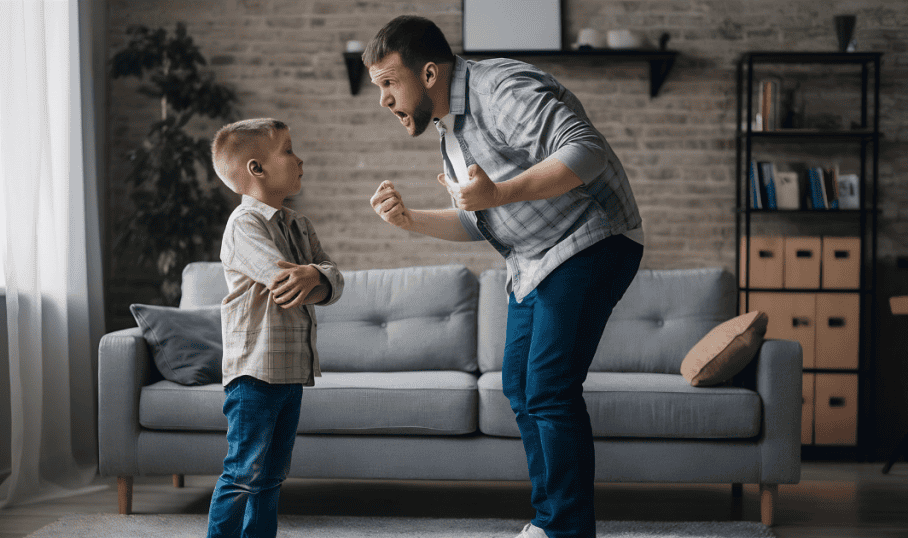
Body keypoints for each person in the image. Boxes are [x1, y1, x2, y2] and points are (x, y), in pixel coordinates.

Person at [365, 16, 643, 538]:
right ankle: (550, 521)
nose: (382, 99)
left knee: (549, 387)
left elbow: (585, 149)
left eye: (387, 83)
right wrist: (412, 220)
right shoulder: (449, 133)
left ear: (428, 74)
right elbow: (481, 219)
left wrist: (499, 194)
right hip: (534, 259)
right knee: (518, 382)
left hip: (593, 237)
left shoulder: (500, 89)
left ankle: (567, 529)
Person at [206, 118, 344, 538]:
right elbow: (286, 280)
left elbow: (333, 281)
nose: (299, 158)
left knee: (272, 476)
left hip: (290, 371)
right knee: (243, 472)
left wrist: (318, 279)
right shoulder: (245, 225)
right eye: (288, 150)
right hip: (254, 373)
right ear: (256, 169)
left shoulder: (301, 226)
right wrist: (314, 278)